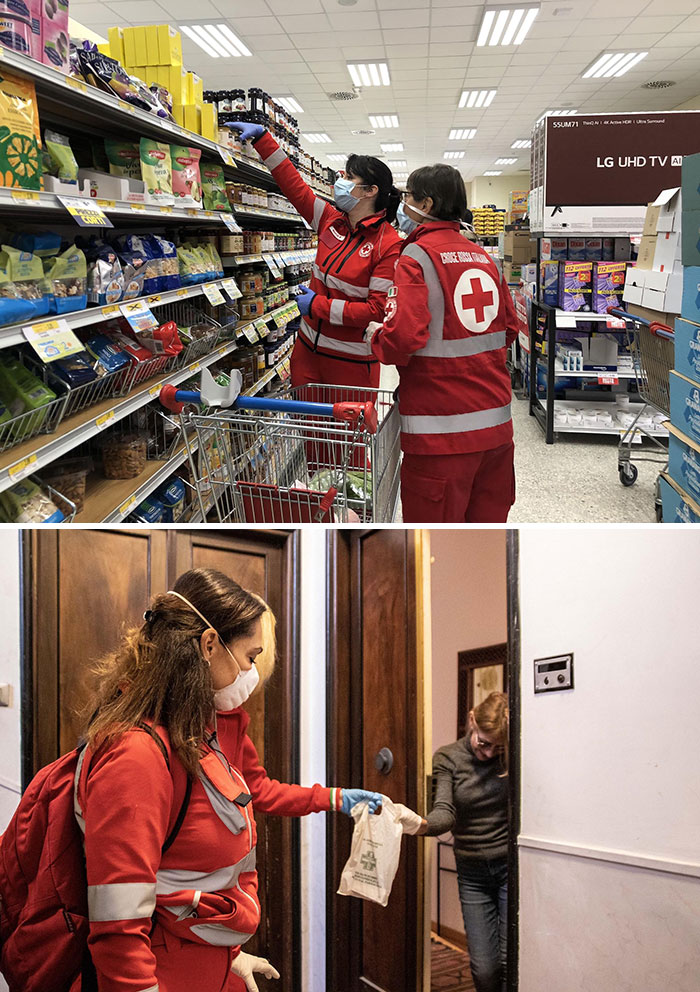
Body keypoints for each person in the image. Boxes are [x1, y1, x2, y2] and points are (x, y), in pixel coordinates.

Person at [77, 567, 383, 992]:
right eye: (250, 657)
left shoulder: (203, 734)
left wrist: (227, 953)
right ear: (208, 644)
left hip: (204, 955)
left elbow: (200, 850)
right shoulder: (139, 754)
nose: (251, 672)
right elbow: (120, 929)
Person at [367, 165, 518, 523]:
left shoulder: (416, 257)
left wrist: (376, 337)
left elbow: (402, 339)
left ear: (427, 203)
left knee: (435, 546)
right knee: (485, 539)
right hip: (496, 431)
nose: (403, 205)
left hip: (441, 436)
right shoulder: (484, 258)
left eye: (408, 197)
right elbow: (509, 328)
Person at [228, 119, 401, 391]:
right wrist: (263, 139)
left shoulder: (387, 245)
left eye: (349, 179)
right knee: (309, 431)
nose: (340, 183)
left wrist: (318, 306)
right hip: (307, 354)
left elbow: (377, 310)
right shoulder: (331, 221)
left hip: (351, 366)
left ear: (370, 191)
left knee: (346, 435)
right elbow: (293, 186)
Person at [416, 692, 509, 992]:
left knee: (510, 962)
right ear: (471, 721)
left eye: (498, 748)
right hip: (472, 873)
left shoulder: (511, 754)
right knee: (485, 968)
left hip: (511, 870)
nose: (490, 753)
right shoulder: (448, 758)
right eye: (484, 743)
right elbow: (445, 810)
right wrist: (421, 826)